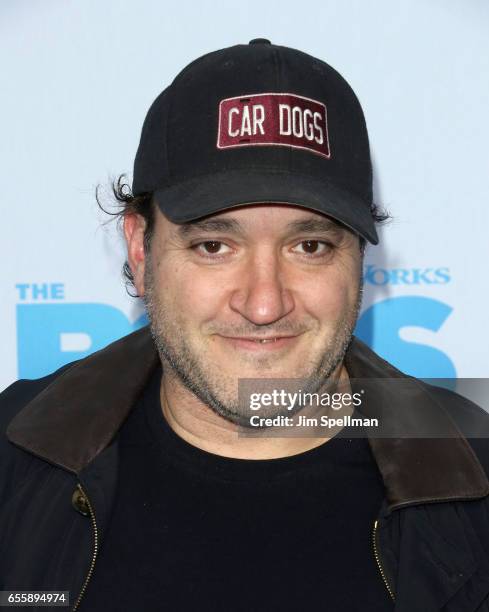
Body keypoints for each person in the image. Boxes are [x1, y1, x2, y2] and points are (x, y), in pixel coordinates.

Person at [2, 39, 489, 612]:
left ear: (358, 258)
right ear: (140, 248)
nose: (263, 304)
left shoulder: (474, 476)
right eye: (214, 246)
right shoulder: (17, 455)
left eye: (309, 246)